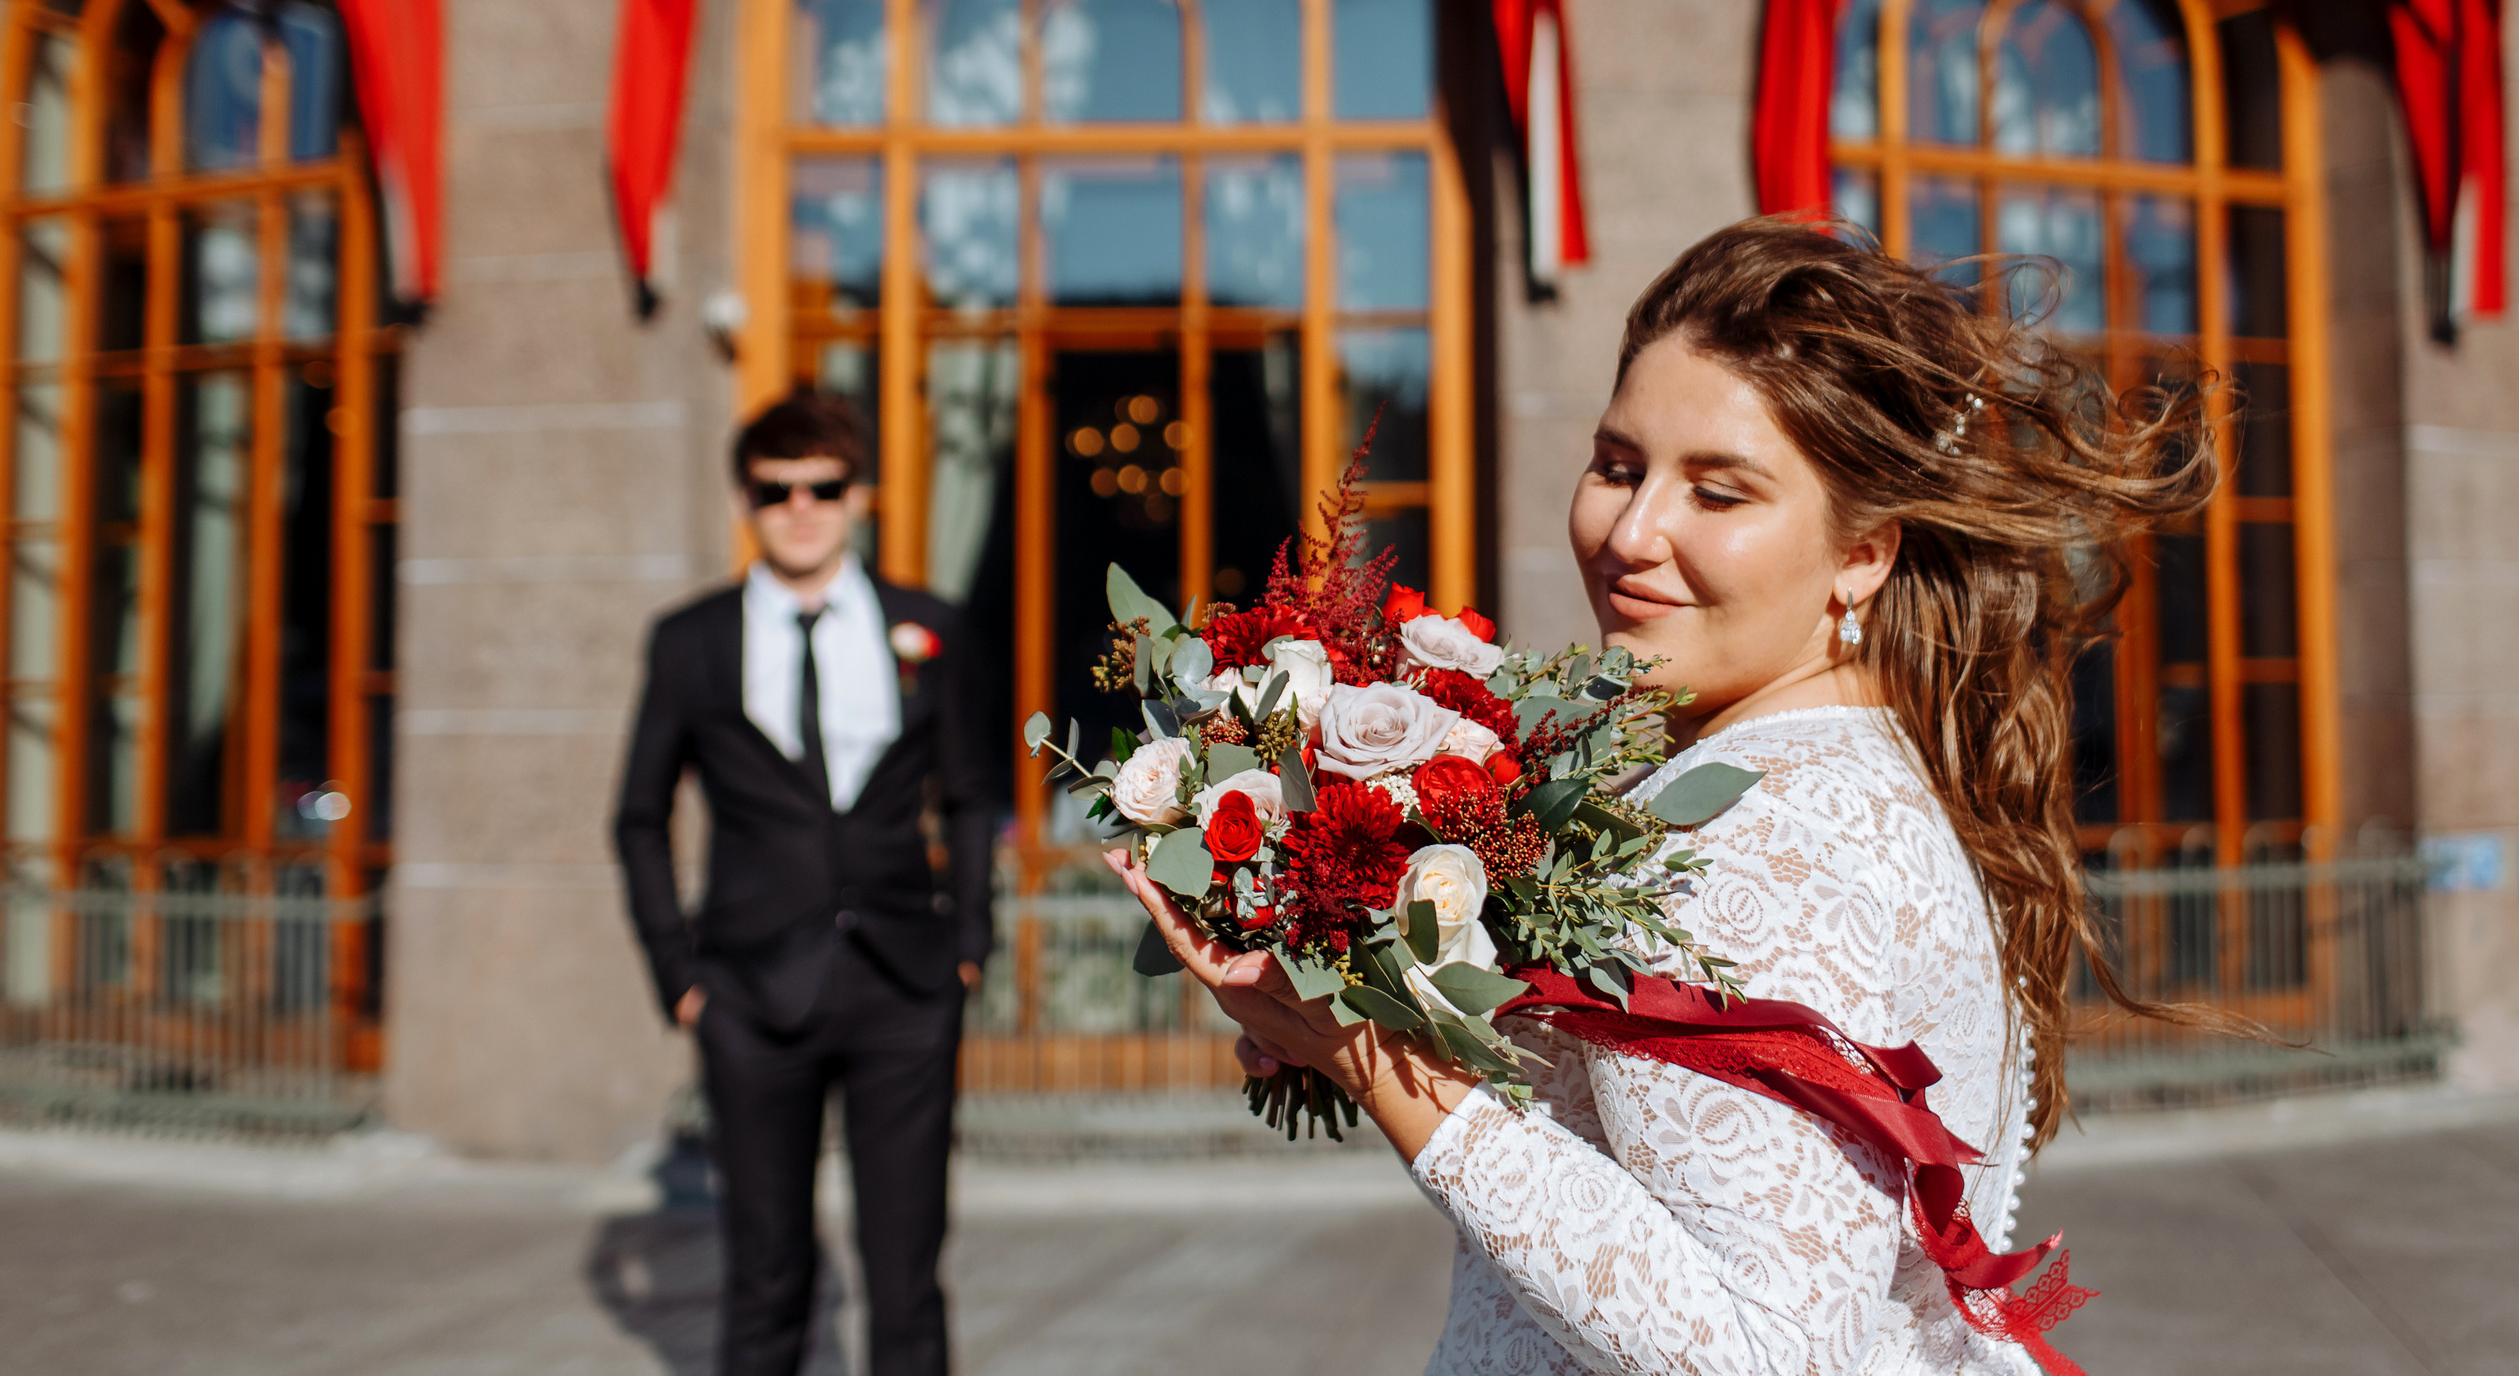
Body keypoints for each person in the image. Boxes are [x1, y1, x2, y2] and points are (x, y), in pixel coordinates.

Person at [1118, 219, 2214, 1373]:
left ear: (1862, 554)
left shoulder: (1762, 835)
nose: (1632, 534)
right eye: (1618, 466)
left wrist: (1390, 1076)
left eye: (1720, 493)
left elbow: (1765, 1354)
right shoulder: (1823, 772)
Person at [614, 389, 1001, 1376]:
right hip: (748, 994)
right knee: (765, 1275)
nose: (800, 507)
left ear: (859, 496)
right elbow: (638, 816)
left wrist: (967, 948)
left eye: (822, 487)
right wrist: (679, 977)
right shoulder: (690, 640)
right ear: (745, 500)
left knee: (907, 1278)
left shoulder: (928, 627)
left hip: (905, 993)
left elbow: (967, 795)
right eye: (775, 489)